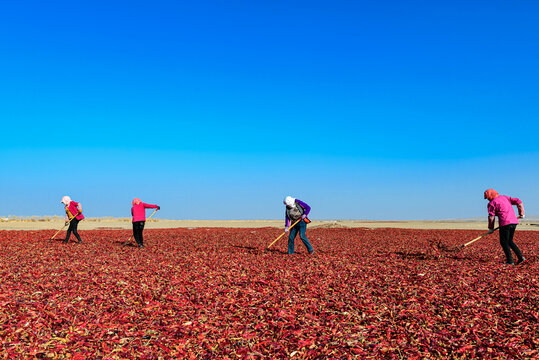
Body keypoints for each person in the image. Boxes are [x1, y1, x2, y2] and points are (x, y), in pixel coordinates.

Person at [484, 189, 525, 265]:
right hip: (514, 222)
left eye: (487, 197)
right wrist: (521, 213)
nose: (487, 199)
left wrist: (491, 228)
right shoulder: (505, 198)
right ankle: (520, 257)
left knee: (504, 242)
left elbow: (491, 217)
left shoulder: (492, 203)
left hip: (505, 223)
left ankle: (510, 261)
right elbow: (518, 201)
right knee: (509, 241)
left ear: (491, 195)